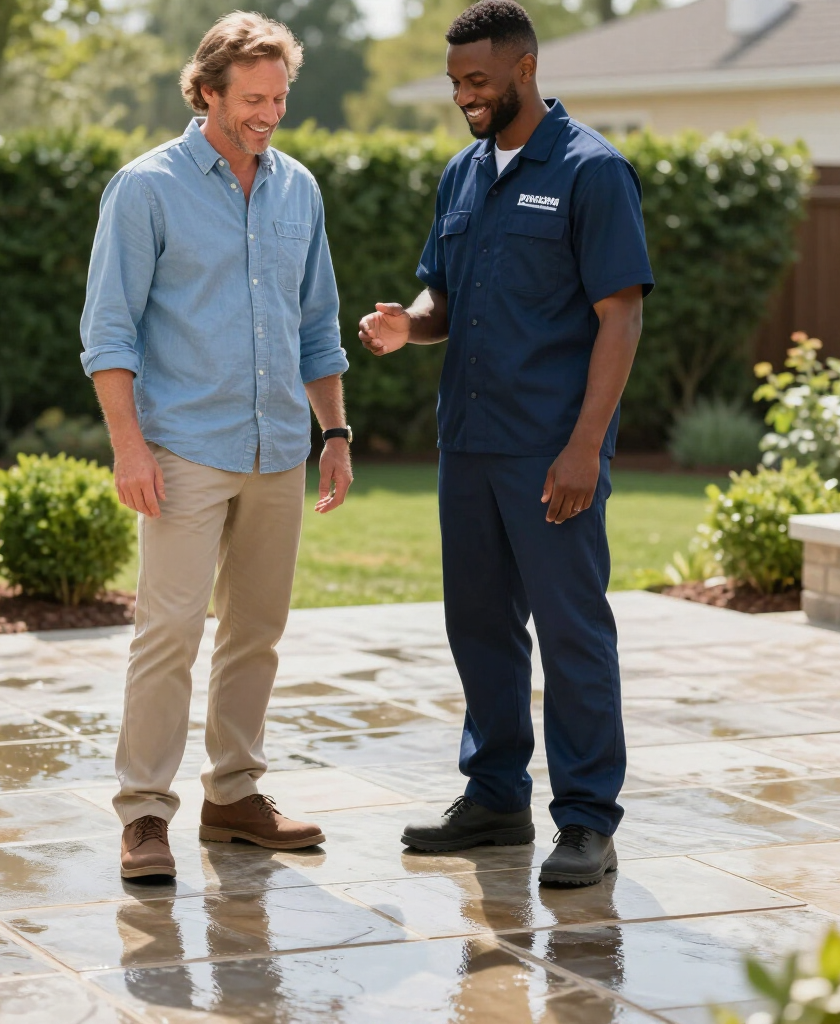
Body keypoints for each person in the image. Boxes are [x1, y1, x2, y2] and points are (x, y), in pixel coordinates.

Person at [359, 0, 653, 887]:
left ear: (525, 69)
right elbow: (441, 301)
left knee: (571, 632)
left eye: (477, 81)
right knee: (479, 626)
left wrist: (583, 447)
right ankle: (493, 798)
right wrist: (406, 326)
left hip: (549, 450)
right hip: (471, 443)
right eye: (454, 84)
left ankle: (588, 820)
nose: (464, 97)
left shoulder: (592, 172)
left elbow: (621, 315)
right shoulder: (462, 174)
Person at [81, 11, 353, 880]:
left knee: (257, 632)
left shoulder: (297, 190)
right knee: (168, 631)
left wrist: (336, 432)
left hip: (279, 447)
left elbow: (317, 325)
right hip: (185, 448)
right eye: (251, 99)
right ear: (205, 92)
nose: (267, 114)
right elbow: (109, 330)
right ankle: (144, 814)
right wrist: (130, 447)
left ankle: (234, 795)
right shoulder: (146, 187)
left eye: (278, 98)